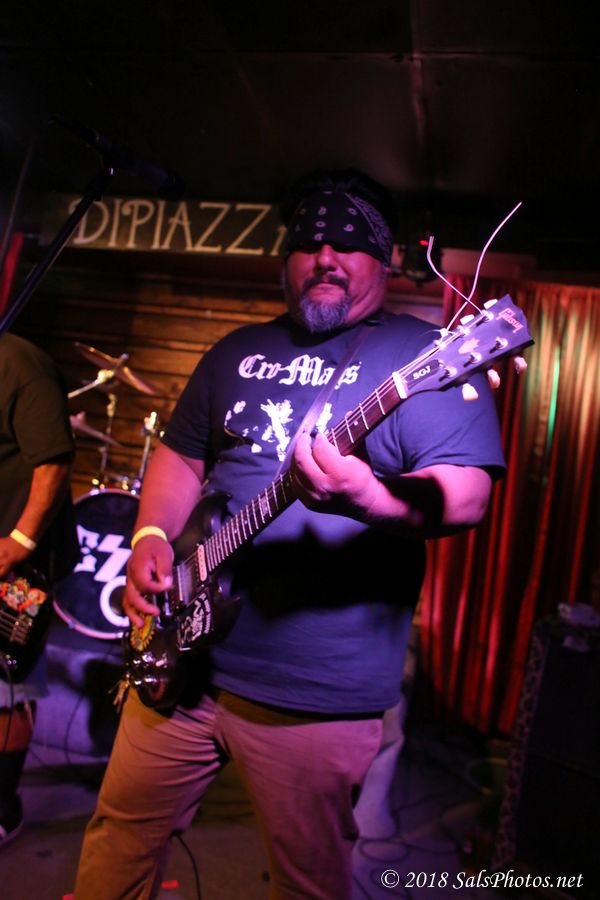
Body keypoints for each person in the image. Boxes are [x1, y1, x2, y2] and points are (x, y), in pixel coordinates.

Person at [74, 169, 506, 899]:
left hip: (314, 689)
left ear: (383, 259)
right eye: (309, 241)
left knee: (306, 882)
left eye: (349, 241)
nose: (325, 256)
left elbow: (467, 495)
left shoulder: (424, 355)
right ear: (286, 259)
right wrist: (150, 534)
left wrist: (366, 495)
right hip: (184, 654)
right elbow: (182, 453)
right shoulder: (235, 349)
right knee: (120, 835)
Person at [0, 332, 79, 847]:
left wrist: (21, 541)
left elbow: (53, 460)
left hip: (16, 563)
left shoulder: (19, 362)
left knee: (6, 689)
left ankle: (4, 805)